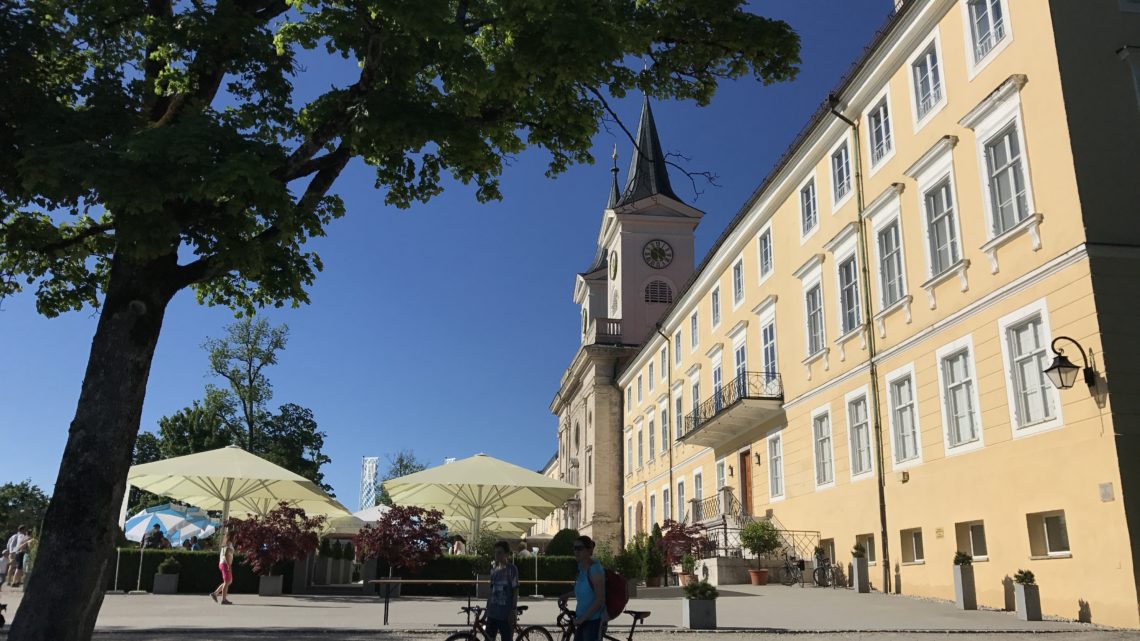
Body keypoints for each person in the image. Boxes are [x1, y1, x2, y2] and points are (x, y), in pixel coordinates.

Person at [559, 535, 606, 641]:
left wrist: (582, 619)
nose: (576, 551)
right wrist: (566, 595)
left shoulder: (595, 570)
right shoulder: (581, 568)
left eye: (579, 548)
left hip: (594, 621)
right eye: (574, 548)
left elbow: (600, 599)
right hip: (582, 620)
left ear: (589, 550)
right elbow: (583, 590)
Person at [484, 541, 519, 641]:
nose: (497, 555)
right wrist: (486, 611)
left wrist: (513, 610)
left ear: (507, 554)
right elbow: (491, 592)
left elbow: (515, 590)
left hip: (505, 614)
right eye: (495, 552)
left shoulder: (512, 569)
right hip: (492, 613)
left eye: (500, 552)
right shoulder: (494, 570)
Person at [210, 530, 235, 605]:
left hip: (223, 563)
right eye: (235, 537)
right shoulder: (229, 544)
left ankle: (215, 593)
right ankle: (223, 600)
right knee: (227, 581)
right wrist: (228, 565)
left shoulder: (226, 544)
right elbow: (226, 554)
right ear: (232, 537)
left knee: (229, 581)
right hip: (225, 564)